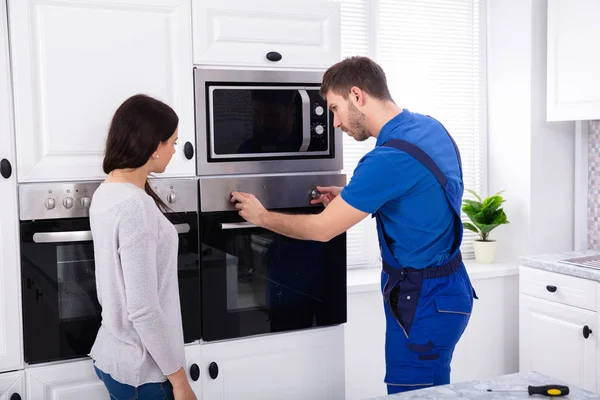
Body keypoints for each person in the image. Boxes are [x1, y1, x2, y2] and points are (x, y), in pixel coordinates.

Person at [230, 56, 478, 394]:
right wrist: (351, 195)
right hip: (449, 290)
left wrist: (261, 217)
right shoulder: (428, 127)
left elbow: (323, 230)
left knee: (412, 393)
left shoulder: (386, 160)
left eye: (334, 108)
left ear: (357, 96)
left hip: (422, 299)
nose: (334, 123)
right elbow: (419, 190)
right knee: (431, 391)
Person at [89, 94, 197, 400]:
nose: (175, 150)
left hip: (114, 356)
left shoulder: (107, 191)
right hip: (146, 373)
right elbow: (144, 309)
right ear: (154, 147)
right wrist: (180, 381)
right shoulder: (135, 207)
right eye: (173, 142)